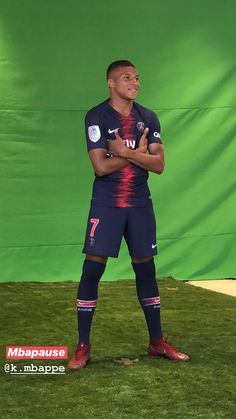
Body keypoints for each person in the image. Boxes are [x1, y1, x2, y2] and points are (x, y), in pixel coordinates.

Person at [68, 60, 189, 370]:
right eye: (126, 77)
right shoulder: (96, 116)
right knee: (93, 269)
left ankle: (157, 341)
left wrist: (123, 152)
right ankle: (83, 346)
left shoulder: (147, 117)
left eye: (137, 77)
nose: (134, 82)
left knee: (146, 270)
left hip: (139, 204)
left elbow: (159, 165)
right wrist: (140, 156)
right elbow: (100, 166)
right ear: (111, 83)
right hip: (107, 203)